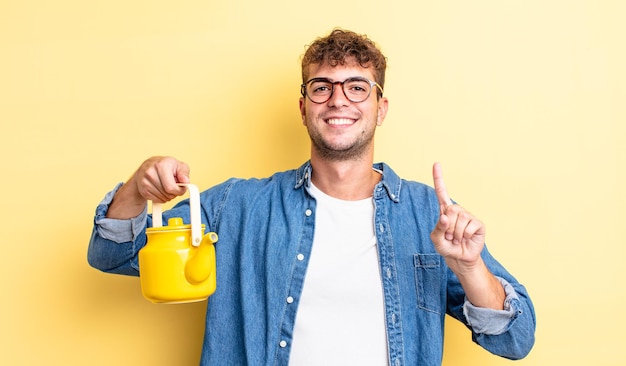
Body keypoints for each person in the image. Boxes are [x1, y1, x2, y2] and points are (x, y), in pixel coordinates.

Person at [88, 28, 536, 365]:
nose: (338, 100)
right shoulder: (238, 208)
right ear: (304, 107)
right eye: (322, 87)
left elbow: (515, 340)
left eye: (357, 86)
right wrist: (136, 187)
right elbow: (110, 252)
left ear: (380, 108)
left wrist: (470, 268)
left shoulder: (429, 216)